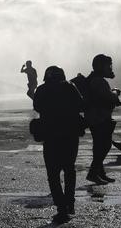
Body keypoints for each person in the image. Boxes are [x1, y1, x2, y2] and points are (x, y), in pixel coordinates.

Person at [34, 66, 84, 224]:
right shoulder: (70, 86)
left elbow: (37, 107)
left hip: (50, 136)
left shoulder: (42, 89)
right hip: (70, 135)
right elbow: (81, 105)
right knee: (69, 169)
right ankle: (70, 202)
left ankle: (61, 208)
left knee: (53, 174)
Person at [84, 54, 121, 185]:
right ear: (100, 67)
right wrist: (116, 92)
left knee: (99, 146)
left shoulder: (95, 79)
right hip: (99, 117)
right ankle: (93, 173)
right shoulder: (98, 81)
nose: (110, 68)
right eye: (107, 66)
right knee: (104, 145)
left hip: (95, 117)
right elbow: (110, 98)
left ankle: (100, 173)